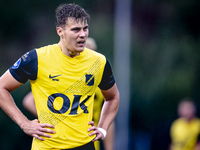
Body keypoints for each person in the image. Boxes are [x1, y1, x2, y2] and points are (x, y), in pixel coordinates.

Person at [0, 3, 119, 150]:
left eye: (85, 28)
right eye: (76, 29)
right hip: (47, 147)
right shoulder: (36, 58)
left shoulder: (99, 62)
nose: (82, 34)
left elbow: (113, 97)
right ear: (60, 31)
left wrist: (102, 128)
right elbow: (1, 87)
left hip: (84, 146)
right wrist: (24, 123)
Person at [22, 37, 115, 150]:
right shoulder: (63, 78)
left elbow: (109, 113)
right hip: (56, 141)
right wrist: (51, 118)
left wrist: (104, 134)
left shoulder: (99, 85)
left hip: (86, 141)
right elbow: (28, 101)